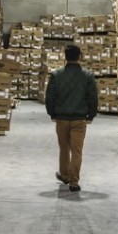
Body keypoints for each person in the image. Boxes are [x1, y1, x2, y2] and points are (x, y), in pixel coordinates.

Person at [45, 44, 98, 192]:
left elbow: (50, 96)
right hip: (79, 119)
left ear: (64, 56)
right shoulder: (87, 76)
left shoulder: (56, 75)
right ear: (80, 56)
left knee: (64, 148)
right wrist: (91, 114)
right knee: (77, 150)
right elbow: (92, 97)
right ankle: (74, 182)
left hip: (61, 118)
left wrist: (52, 113)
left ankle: (65, 175)